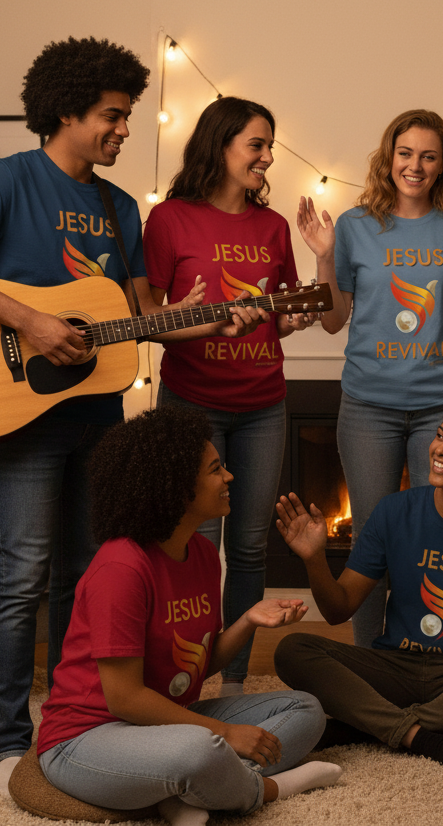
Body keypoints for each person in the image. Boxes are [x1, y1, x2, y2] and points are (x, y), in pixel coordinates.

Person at [0, 37, 262, 794]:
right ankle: (9, 741)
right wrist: (30, 323)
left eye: (128, 116)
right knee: (23, 571)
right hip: (18, 412)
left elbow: (141, 317)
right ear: (66, 110)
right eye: (112, 115)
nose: (124, 130)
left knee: (85, 573)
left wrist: (204, 320)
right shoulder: (7, 182)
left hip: (98, 415)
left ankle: (79, 723)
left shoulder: (120, 206)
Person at [36, 405, 341, 825]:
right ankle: (266, 788)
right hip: (86, 736)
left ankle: (195, 790)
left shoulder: (199, 552)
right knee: (199, 750)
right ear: (178, 488)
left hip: (162, 724)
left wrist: (249, 618)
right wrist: (225, 734)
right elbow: (124, 698)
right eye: (216, 469)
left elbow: (200, 661)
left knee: (305, 709)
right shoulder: (121, 568)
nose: (229, 477)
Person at [295, 109, 443, 647]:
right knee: (372, 541)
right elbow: (334, 319)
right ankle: (370, 662)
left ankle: (423, 654)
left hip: (441, 408)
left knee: (433, 538)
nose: (415, 165)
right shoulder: (356, 226)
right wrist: (321, 258)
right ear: (389, 158)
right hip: (369, 407)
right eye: (405, 153)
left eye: (428, 156)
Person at [144, 96, 315, 697]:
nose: (268, 157)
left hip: (264, 404)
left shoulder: (272, 227)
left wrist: (290, 321)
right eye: (257, 144)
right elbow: (148, 318)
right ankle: (187, 678)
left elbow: (286, 312)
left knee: (247, 547)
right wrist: (204, 323)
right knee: (195, 547)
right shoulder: (168, 219)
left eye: (270, 145)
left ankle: (234, 686)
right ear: (221, 145)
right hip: (191, 406)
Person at [273, 401, 443, 781]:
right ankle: (425, 736)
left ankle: (362, 726)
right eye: (440, 436)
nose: (440, 450)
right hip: (394, 667)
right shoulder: (393, 511)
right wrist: (315, 559)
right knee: (293, 650)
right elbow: (338, 609)